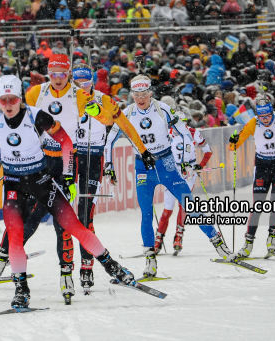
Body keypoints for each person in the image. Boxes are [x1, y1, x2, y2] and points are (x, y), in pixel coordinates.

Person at [0, 54, 151, 303]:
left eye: (62, 74)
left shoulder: (80, 96)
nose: (58, 79)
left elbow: (110, 120)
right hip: (39, 161)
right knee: (30, 217)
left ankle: (68, 270)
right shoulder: (36, 92)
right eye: (53, 73)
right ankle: (3, 258)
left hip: (67, 160)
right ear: (48, 72)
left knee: (66, 220)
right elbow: (18, 116)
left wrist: (96, 111)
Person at [104, 75, 235, 278]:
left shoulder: (162, 109)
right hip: (143, 167)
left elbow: (184, 133)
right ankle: (150, 260)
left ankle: (219, 244)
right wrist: (108, 165)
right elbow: (110, 139)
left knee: (190, 206)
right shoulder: (127, 113)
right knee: (146, 214)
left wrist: (182, 159)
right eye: (136, 94)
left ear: (150, 93)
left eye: (143, 94)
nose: (140, 98)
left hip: (166, 164)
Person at [71, 63, 149, 292]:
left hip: (93, 157)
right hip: (71, 156)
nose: (80, 87)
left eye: (85, 83)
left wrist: (143, 151)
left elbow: (122, 125)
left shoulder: (104, 99)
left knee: (84, 214)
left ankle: (86, 265)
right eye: (76, 83)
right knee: (64, 215)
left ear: (92, 82)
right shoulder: (68, 99)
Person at [229, 100, 275, 258]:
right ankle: (248, 244)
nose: (265, 119)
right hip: (262, 166)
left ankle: (272, 240)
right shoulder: (252, 123)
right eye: (261, 116)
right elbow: (234, 146)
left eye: (267, 116)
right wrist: (233, 142)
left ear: (272, 113)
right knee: (258, 205)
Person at [154, 112, 212, 254]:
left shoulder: (193, 133)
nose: (181, 126)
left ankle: (178, 237)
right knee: (168, 207)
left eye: (184, 123)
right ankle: (158, 239)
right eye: (177, 123)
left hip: (188, 171)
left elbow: (208, 151)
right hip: (172, 171)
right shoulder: (166, 133)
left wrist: (201, 165)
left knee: (184, 204)